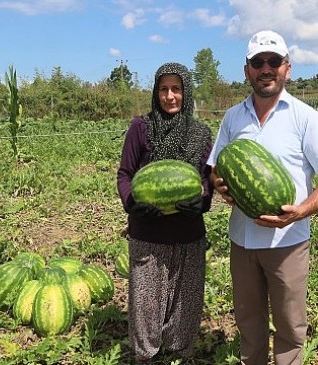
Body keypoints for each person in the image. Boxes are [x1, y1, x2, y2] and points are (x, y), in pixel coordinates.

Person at [207, 30, 318, 365]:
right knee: (249, 325)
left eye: (273, 61)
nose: (265, 68)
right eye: (257, 62)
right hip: (242, 241)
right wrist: (220, 185)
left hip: (289, 243)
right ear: (247, 70)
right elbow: (215, 168)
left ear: (287, 68)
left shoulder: (307, 118)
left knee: (289, 328)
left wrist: (300, 211)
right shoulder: (232, 117)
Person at [116, 62, 213, 364]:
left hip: (189, 234)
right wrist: (132, 201)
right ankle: (146, 357)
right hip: (148, 232)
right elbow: (124, 174)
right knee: (145, 307)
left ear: (187, 92)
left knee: (186, 305)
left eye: (177, 89)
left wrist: (204, 201)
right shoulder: (140, 127)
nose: (170, 96)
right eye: (163, 89)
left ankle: (179, 356)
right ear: (155, 93)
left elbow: (207, 179)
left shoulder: (201, 133)